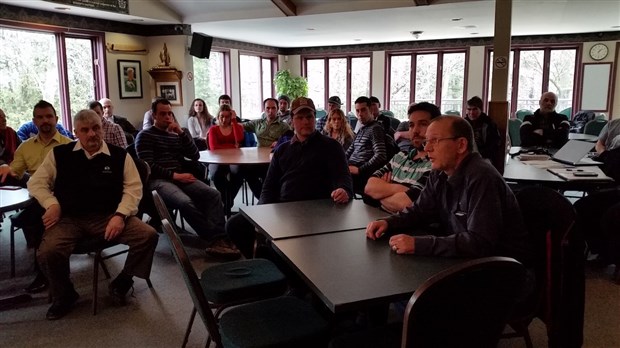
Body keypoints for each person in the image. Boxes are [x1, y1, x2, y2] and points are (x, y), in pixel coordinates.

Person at [28, 109, 158, 320]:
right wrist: (51, 203)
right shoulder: (60, 154)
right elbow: (36, 183)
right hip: (69, 218)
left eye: (96, 128)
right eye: (85, 130)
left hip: (108, 216)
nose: (92, 134)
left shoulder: (119, 155)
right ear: (75, 132)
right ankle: (65, 294)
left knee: (148, 235)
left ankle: (124, 280)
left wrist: (120, 215)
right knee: (48, 251)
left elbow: (133, 190)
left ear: (103, 128)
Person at [366, 115, 531, 263]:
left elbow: (480, 242)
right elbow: (420, 210)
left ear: (461, 145)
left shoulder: (482, 177)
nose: (427, 148)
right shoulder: (439, 172)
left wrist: (418, 244)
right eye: (426, 141)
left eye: (434, 141)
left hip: (498, 270)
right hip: (464, 260)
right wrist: (388, 222)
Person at [227, 97, 353, 258]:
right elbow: (268, 187)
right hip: (283, 209)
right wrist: (261, 212)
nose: (305, 121)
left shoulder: (331, 147)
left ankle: (275, 262)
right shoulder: (282, 150)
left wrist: (344, 189)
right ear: (292, 120)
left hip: (317, 210)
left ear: (315, 118)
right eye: (300, 117)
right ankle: (264, 262)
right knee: (234, 225)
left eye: (309, 117)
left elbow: (344, 178)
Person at [135, 98, 239, 258]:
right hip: (158, 181)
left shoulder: (175, 134)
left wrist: (182, 133)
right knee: (184, 202)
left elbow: (195, 155)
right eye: (162, 114)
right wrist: (175, 175)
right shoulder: (144, 135)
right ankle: (214, 239)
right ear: (154, 115)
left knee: (214, 194)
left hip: (180, 177)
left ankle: (220, 238)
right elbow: (148, 165)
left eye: (169, 113)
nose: (167, 117)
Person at [0, 100, 73, 293]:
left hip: (61, 197)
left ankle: (43, 273)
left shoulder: (70, 146)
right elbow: (15, 172)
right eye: (40, 117)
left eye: (49, 116)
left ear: (56, 119)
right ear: (34, 121)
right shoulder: (25, 147)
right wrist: (5, 168)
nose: (45, 121)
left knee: (37, 218)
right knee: (37, 212)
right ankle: (44, 269)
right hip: (35, 195)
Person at [364, 102, 440, 213]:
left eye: (423, 124)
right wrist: (400, 189)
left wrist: (382, 191)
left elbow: (408, 204)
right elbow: (369, 188)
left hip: (408, 228)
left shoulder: (436, 164)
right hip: (377, 220)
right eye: (411, 125)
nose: (415, 131)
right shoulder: (400, 156)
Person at [241, 98, 291, 197]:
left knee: (267, 175)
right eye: (268, 108)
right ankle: (262, 198)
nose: (270, 111)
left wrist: (279, 142)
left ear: (277, 109)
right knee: (246, 171)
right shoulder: (257, 123)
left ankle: (265, 199)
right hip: (258, 159)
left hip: (274, 159)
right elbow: (239, 126)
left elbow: (290, 140)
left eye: (273, 108)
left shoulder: (283, 126)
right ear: (264, 109)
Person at [345, 96, 387, 193]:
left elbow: (381, 155)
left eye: (363, 110)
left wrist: (360, 170)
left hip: (361, 173)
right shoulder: (361, 130)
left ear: (371, 109)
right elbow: (348, 152)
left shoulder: (375, 128)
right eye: (357, 111)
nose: (360, 114)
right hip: (350, 169)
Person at [207, 104, 245, 208]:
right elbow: (214, 148)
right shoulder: (213, 129)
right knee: (215, 174)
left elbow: (240, 139)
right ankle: (227, 199)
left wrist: (234, 121)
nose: (224, 119)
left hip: (233, 158)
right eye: (221, 116)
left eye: (227, 116)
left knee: (238, 173)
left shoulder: (235, 127)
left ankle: (228, 201)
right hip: (217, 159)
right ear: (217, 117)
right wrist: (232, 146)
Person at [464, 96, 500, 160]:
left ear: (480, 109)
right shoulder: (463, 123)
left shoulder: (489, 124)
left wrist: (481, 155)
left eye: (475, 109)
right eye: (469, 109)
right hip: (466, 156)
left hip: (484, 157)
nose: (471, 112)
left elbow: (494, 145)